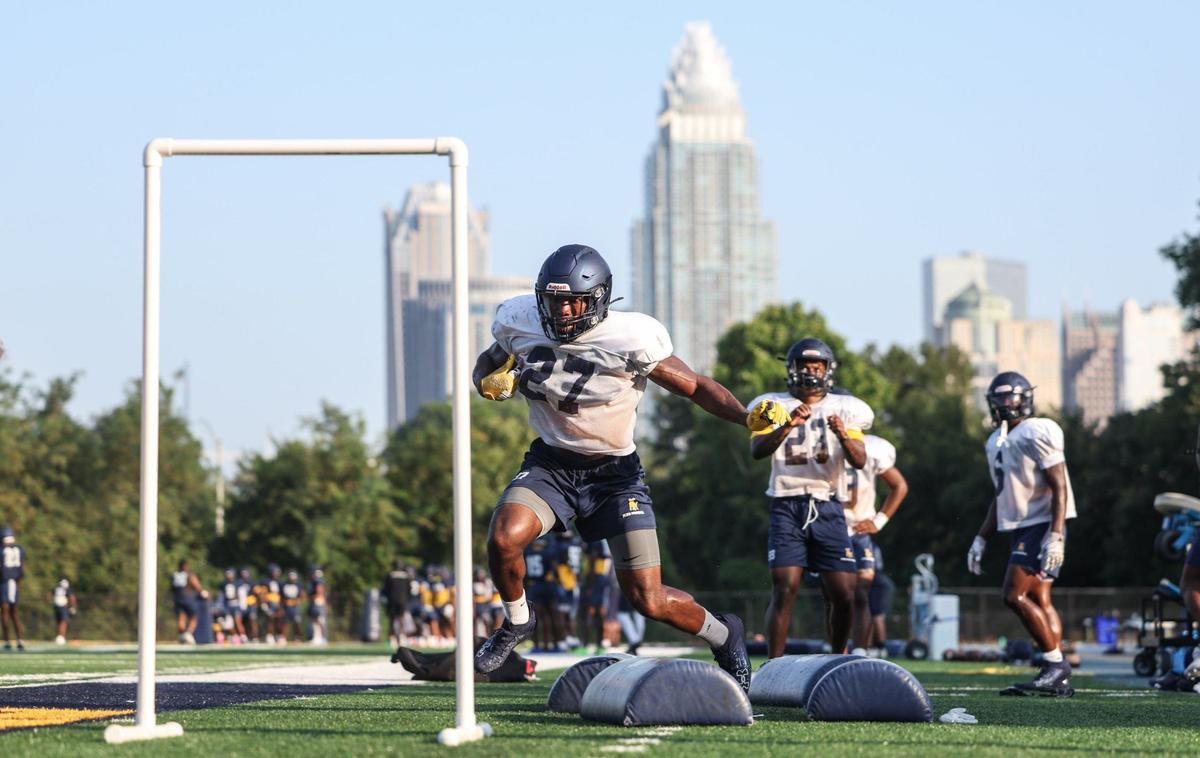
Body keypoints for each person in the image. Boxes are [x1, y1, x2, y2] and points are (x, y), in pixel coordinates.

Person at [472, 244, 778, 693]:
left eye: (575, 300)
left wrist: (745, 416)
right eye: (555, 302)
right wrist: (485, 380)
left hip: (615, 475)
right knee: (503, 536)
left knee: (648, 599)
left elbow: (695, 386)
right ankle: (517, 622)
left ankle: (724, 633)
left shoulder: (630, 338)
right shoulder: (518, 321)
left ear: (599, 299)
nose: (565, 312)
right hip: (551, 463)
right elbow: (490, 359)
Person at [748, 339, 873, 658]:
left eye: (816, 366)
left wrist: (843, 433)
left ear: (828, 370)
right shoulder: (772, 405)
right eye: (804, 366)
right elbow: (757, 451)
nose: (810, 372)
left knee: (844, 592)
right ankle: (774, 665)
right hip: (786, 502)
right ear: (791, 369)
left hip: (829, 503)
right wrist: (788, 425)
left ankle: (838, 654)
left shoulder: (846, 408)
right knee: (784, 586)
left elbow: (859, 460)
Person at [967, 371, 1077, 697]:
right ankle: (1059, 677)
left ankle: (1055, 664)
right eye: (998, 398)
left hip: (1042, 523)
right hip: (1021, 526)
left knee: (1012, 595)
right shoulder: (995, 441)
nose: (1004, 404)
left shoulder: (1036, 430)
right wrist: (981, 537)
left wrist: (1056, 533)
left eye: (1010, 396)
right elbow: (1000, 496)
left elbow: (1059, 486)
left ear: (1025, 398)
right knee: (1040, 598)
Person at [842, 433, 909, 652]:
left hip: (859, 532)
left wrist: (879, 520)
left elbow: (899, 485)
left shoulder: (872, 449)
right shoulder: (821, 445)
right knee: (836, 594)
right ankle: (836, 649)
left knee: (862, 592)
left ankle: (862, 650)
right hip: (829, 529)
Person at [582, 540, 614, 653]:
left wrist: (590, 583)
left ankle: (585, 645)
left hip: (595, 577)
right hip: (602, 576)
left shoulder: (595, 538)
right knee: (598, 612)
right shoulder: (603, 538)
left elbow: (593, 558)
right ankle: (599, 643)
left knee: (590, 611)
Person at [1, 527, 26, 650]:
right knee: (14, 613)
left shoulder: (2, 550)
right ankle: (20, 640)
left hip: (4, 582)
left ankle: (7, 641)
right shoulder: (19, 549)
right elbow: (22, 568)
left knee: (5, 611)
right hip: (15, 582)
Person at [171, 559, 206, 644]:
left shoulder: (175, 575)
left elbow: (172, 588)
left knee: (181, 618)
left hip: (177, 599)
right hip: (187, 598)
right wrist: (202, 592)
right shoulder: (189, 574)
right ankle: (188, 634)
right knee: (194, 617)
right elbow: (196, 584)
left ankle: (182, 636)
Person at [279, 568, 306, 644]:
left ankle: (298, 637)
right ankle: (283, 637)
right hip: (286, 606)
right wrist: (281, 606)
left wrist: (299, 601)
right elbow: (281, 596)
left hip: (295, 607)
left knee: (297, 622)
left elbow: (302, 595)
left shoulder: (299, 585)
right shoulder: (284, 584)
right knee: (284, 623)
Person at [51, 577, 78, 645]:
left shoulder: (56, 588)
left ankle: (59, 636)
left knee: (59, 622)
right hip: (63, 606)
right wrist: (73, 607)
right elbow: (72, 598)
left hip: (56, 606)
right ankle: (61, 637)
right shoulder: (66, 589)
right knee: (63, 621)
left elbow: (49, 595)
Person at [308, 566, 328, 645]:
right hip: (316, 602)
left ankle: (323, 637)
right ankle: (317, 637)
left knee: (320, 620)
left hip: (318, 602)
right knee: (315, 620)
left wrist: (314, 597)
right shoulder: (314, 581)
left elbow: (319, 591)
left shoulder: (318, 581)